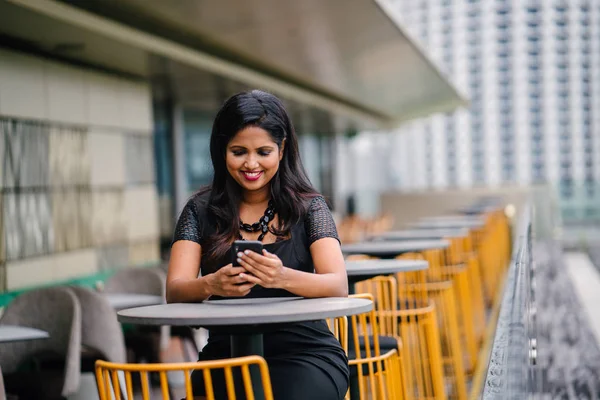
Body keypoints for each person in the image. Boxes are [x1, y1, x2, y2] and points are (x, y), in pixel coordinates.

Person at [166, 90, 349, 400]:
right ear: (222, 150)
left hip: (305, 355)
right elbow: (175, 290)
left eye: (263, 152)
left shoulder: (309, 207)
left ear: (282, 149)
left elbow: (338, 284)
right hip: (226, 356)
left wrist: (282, 278)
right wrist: (211, 284)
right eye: (239, 151)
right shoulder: (199, 209)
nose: (251, 164)